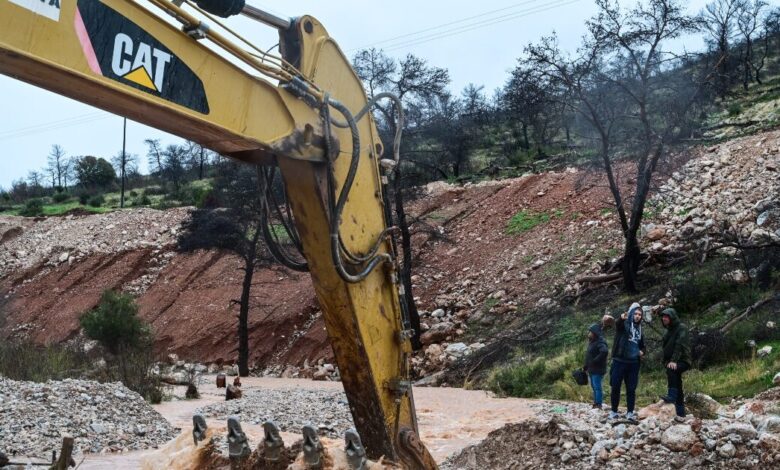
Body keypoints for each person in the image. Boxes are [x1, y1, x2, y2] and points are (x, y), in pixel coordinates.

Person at [608, 302, 646, 421]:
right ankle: (614, 411)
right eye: (635, 313)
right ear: (631, 314)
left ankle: (630, 412)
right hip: (619, 361)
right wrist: (621, 318)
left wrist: (642, 352)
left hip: (633, 363)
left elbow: (643, 346)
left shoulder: (640, 330)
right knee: (615, 386)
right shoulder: (624, 324)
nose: (637, 316)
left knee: (631, 389)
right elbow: (617, 325)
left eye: (640, 314)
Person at [660, 308, 691, 419]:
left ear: (672, 317)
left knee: (671, 369)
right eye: (663, 317)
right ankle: (680, 412)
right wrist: (666, 361)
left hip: (683, 360)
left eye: (666, 316)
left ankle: (671, 396)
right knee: (678, 384)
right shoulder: (669, 330)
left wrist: (673, 360)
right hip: (672, 360)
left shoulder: (681, 328)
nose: (664, 318)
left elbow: (679, 345)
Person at [583, 323, 608, 409]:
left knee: (597, 387)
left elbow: (604, 352)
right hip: (591, 368)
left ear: (594, 333)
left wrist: (595, 361)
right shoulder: (592, 341)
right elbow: (589, 355)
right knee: (594, 386)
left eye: (590, 332)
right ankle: (596, 402)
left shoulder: (600, 341)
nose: (588, 333)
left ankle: (598, 404)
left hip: (598, 369)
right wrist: (586, 366)